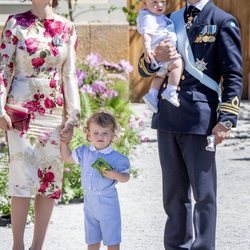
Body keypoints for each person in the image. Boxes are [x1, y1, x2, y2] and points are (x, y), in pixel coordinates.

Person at [138, 0, 243, 249]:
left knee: (204, 195)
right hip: (168, 116)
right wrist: (156, 59)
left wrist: (226, 119)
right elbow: (145, 67)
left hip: (200, 117)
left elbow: (233, 74)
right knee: (173, 194)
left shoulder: (222, 21)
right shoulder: (168, 18)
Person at [0, 0, 80, 249]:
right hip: (19, 111)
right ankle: (17, 245)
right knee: (21, 178)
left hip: (53, 113)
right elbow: (3, 67)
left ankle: (37, 246)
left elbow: (69, 74)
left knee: (50, 181)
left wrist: (73, 113)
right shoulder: (15, 22)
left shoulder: (67, 26)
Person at [61, 112, 130, 250]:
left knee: (112, 239)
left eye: (105, 133)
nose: (100, 137)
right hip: (89, 202)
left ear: (112, 135)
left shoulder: (117, 158)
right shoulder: (84, 152)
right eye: (96, 133)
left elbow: (126, 177)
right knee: (92, 239)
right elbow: (68, 158)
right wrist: (64, 143)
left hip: (108, 202)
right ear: (88, 134)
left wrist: (116, 175)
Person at [137, 0, 184, 112]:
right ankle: (171, 91)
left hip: (198, 103)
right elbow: (146, 35)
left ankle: (152, 94)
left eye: (163, 1)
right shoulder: (151, 17)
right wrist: (150, 51)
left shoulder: (161, 16)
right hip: (165, 55)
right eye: (155, 2)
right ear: (144, 4)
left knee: (160, 76)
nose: (160, 5)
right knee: (178, 64)